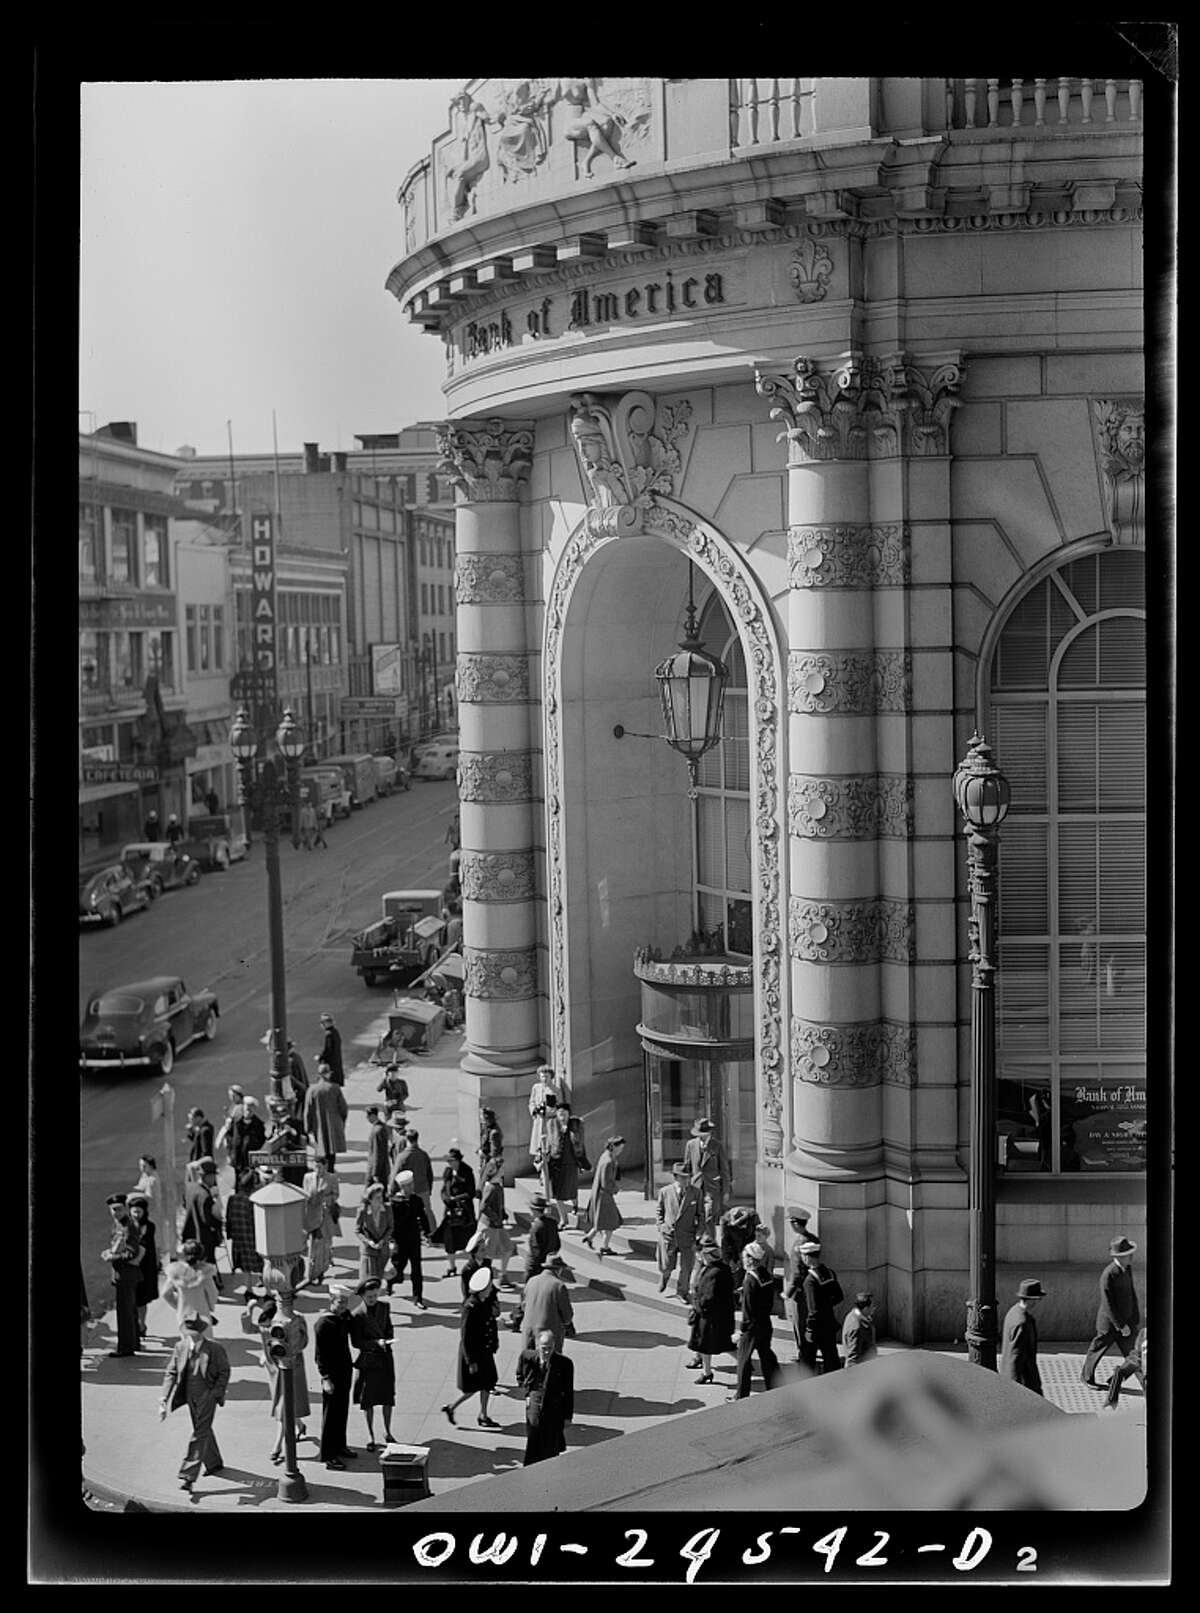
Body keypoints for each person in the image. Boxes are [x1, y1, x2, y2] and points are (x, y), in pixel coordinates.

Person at [158, 1316, 230, 1492]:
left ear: (200, 1332)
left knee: (200, 1433)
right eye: (188, 1332)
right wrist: (164, 1399)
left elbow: (224, 1371)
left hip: (208, 1397)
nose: (191, 1336)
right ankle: (214, 1464)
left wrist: (215, 1393)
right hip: (190, 1397)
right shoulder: (180, 1347)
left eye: (195, 1333)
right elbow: (172, 1372)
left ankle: (188, 1476)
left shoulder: (214, 1348)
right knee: (203, 1430)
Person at [252, 1287, 310, 1464]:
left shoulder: (296, 1318)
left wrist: (291, 1344)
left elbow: (304, 1341)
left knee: (282, 1408)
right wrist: (249, 1309)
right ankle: (299, 1425)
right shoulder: (267, 1326)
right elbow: (250, 1330)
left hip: (292, 1367)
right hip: (274, 1370)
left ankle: (277, 1446)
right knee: (285, 1405)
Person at [442, 1266, 502, 1428]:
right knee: (472, 1387)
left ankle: (483, 1415)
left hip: (485, 1351)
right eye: (489, 1286)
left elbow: (491, 1323)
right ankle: (452, 1407)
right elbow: (466, 1336)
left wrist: (493, 1343)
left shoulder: (484, 1301)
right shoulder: (471, 1307)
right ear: (482, 1289)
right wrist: (471, 1361)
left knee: (488, 1383)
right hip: (475, 1354)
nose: (491, 1289)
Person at [1081, 1236, 1141, 1388]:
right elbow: (1108, 1304)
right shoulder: (1108, 1274)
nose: (1131, 1257)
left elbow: (1131, 1294)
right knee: (1097, 1350)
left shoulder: (1127, 1269)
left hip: (1127, 1322)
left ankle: (1119, 1380)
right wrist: (1120, 1325)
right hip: (1110, 1324)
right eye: (1128, 1255)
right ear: (1118, 1257)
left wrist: (1134, 1318)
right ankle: (1086, 1378)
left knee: (1134, 1355)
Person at [313, 1282, 357, 1469]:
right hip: (332, 1374)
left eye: (345, 1301)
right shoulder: (324, 1324)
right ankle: (329, 1455)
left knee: (342, 1410)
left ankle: (340, 1446)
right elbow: (320, 1355)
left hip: (345, 1370)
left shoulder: (343, 1317)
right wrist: (325, 1378)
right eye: (340, 1301)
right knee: (331, 1415)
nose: (343, 1305)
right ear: (331, 1300)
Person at [349, 1278, 396, 1450]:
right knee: (368, 1401)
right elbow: (356, 1342)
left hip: (385, 1358)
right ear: (362, 1296)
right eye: (369, 1296)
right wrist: (377, 1343)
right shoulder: (358, 1315)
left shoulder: (384, 1307)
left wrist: (388, 1338)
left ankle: (387, 1431)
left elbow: (389, 1327)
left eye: (375, 1295)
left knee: (387, 1398)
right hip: (369, 1361)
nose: (373, 1299)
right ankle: (370, 1435)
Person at [516, 1328, 575, 1464]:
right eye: (544, 1348)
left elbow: (568, 1392)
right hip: (534, 1407)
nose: (547, 1352)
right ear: (537, 1346)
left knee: (551, 1447)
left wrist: (567, 1417)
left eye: (550, 1348)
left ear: (554, 1345)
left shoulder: (565, 1364)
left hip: (554, 1409)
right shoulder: (528, 1357)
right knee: (533, 1442)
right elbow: (520, 1374)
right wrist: (527, 1393)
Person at [733, 1243, 781, 1400]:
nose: (743, 1260)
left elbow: (747, 1309)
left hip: (752, 1327)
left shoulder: (749, 1280)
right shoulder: (765, 1275)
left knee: (743, 1361)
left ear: (750, 1259)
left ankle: (741, 1395)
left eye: (745, 1257)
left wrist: (741, 1330)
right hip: (765, 1323)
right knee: (766, 1355)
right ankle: (774, 1387)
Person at [686, 1238, 736, 1383]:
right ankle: (706, 1372)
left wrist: (697, 1306)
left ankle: (744, 1362)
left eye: (701, 1255)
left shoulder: (713, 1273)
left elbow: (708, 1297)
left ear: (707, 1255)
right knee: (707, 1345)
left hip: (710, 1317)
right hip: (716, 1316)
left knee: (718, 1344)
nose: (699, 1258)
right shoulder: (721, 1268)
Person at [100, 1193, 142, 1356]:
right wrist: (109, 1252)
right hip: (123, 1274)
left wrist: (112, 1257)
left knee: (124, 1313)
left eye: (118, 1209)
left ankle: (126, 1348)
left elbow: (132, 1252)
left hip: (126, 1274)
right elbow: (117, 1246)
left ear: (125, 1208)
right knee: (130, 1311)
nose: (115, 1213)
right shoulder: (119, 1224)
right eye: (112, 1210)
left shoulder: (128, 1226)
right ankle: (134, 1343)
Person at [682, 1118, 732, 1240]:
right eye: (699, 1135)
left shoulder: (717, 1146)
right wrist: (684, 1186)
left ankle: (710, 1244)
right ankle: (698, 1243)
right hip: (696, 1186)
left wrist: (726, 1190)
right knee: (695, 1216)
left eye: (703, 1135)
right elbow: (687, 1167)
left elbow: (724, 1170)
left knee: (709, 1216)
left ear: (709, 1133)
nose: (701, 1137)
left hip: (712, 1187)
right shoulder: (691, 1145)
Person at [656, 1162, 700, 1298]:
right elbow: (660, 1211)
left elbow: (701, 1215)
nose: (686, 1180)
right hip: (669, 1234)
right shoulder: (665, 1192)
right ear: (675, 1177)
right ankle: (665, 1276)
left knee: (687, 1267)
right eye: (683, 1177)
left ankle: (682, 1292)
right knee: (667, 1264)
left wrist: (699, 1232)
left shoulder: (696, 1192)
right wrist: (661, 1225)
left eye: (688, 1177)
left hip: (688, 1234)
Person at [800, 1240, 844, 1374]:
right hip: (829, 1322)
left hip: (816, 1327)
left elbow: (813, 1310)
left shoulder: (810, 1281)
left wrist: (809, 1328)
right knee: (831, 1357)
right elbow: (839, 1296)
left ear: (807, 1257)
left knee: (807, 1360)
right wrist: (826, 1306)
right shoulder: (829, 1273)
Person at [386, 1169, 429, 1307]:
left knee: (417, 1269)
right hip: (400, 1241)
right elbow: (392, 1223)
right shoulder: (395, 1203)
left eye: (412, 1185)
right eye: (408, 1186)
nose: (412, 1188)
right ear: (402, 1187)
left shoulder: (416, 1200)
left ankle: (418, 1297)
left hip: (414, 1239)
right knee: (398, 1269)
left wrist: (427, 1232)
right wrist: (391, 1240)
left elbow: (422, 1216)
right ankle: (390, 1282)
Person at [1000, 1277, 1046, 1395]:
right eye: (1038, 1299)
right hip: (1025, 1382)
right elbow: (1015, 1356)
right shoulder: (1022, 1323)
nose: (1038, 1302)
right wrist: (1015, 1387)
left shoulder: (1013, 1312)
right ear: (1031, 1299)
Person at [521, 1252, 575, 1352]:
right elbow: (567, 1316)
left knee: (529, 1364)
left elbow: (524, 1305)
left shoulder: (531, 1281)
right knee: (550, 1365)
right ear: (559, 1269)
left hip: (528, 1332)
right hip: (548, 1336)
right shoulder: (558, 1285)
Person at [159, 1239, 221, 1328]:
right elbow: (213, 1294)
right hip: (202, 1312)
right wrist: (210, 1307)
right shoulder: (204, 1273)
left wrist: (177, 1305)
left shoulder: (176, 1272)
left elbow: (165, 1293)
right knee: (205, 1339)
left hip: (183, 1313)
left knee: (187, 1339)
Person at [222, 1170, 263, 1303]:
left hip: (238, 1237)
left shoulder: (232, 1199)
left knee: (245, 1267)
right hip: (253, 1237)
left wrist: (230, 1234)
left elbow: (228, 1217)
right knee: (261, 1264)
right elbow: (257, 1220)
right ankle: (267, 1291)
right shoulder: (253, 1200)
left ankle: (249, 1291)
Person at [473, 1160, 515, 1287]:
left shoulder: (497, 1185)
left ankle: (503, 1275)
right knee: (488, 1255)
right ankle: (484, 1281)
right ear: (496, 1171)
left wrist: (502, 1214)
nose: (504, 1170)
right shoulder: (491, 1187)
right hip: (490, 1225)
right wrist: (496, 1217)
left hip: (497, 1224)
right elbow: (483, 1206)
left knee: (508, 1248)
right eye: (501, 1168)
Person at [581, 1135, 624, 1255]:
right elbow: (606, 1183)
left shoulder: (606, 1156)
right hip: (604, 1196)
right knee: (611, 1222)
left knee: (603, 1219)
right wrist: (615, 1189)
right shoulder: (609, 1161)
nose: (621, 1150)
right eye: (620, 1148)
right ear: (614, 1147)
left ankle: (590, 1236)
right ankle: (605, 1247)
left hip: (600, 1194)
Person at [181, 1158, 224, 1277]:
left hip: (190, 1232)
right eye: (214, 1176)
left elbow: (185, 1204)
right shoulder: (205, 1196)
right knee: (206, 1266)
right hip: (204, 1237)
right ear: (208, 1176)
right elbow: (208, 1220)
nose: (215, 1179)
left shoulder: (190, 1187)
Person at [439, 1148, 478, 1279]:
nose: (450, 1163)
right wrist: (446, 1198)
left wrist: (458, 1198)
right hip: (450, 1211)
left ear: (458, 1160)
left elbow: (471, 1192)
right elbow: (444, 1189)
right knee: (449, 1240)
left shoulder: (467, 1172)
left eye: (452, 1161)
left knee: (468, 1238)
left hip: (464, 1211)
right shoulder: (448, 1172)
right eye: (449, 1161)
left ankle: (472, 1265)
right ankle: (451, 1266)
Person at [302, 1157, 341, 1286]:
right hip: (312, 1215)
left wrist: (326, 1199)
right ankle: (311, 1273)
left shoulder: (332, 1178)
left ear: (325, 1166)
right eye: (316, 1167)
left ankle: (320, 1272)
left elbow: (336, 1195)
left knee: (323, 1245)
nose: (317, 1170)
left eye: (320, 1167)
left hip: (325, 1216)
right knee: (313, 1246)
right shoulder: (308, 1177)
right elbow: (304, 1193)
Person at [126, 1191, 159, 1342]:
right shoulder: (127, 1225)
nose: (136, 1215)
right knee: (133, 1299)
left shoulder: (149, 1227)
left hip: (145, 1267)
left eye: (139, 1212)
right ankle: (135, 1325)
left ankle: (141, 1324)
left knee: (142, 1299)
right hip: (131, 1266)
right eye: (134, 1212)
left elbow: (146, 1245)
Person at [782, 1206, 813, 1364]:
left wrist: (788, 1292)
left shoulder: (800, 1243)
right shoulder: (811, 1239)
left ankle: (804, 1354)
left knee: (800, 1323)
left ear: (795, 1223)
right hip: (807, 1288)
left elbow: (798, 1272)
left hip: (800, 1291)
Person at [550, 1102, 588, 1227]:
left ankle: (575, 1204)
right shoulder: (552, 1124)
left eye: (565, 1113)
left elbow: (580, 1143)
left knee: (571, 1189)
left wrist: (582, 1160)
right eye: (560, 1113)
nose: (562, 1116)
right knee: (557, 1194)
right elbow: (549, 1142)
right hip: (556, 1163)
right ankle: (563, 1219)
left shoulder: (575, 1125)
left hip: (571, 1162)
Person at [304, 1062, 349, 1165]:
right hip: (334, 1124)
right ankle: (330, 1172)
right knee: (331, 1152)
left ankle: (322, 1170)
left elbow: (308, 1111)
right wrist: (342, 1121)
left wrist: (308, 1128)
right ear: (328, 1074)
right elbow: (344, 1108)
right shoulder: (335, 1088)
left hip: (318, 1125)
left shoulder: (312, 1090)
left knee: (320, 1148)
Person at [394, 1126, 435, 1234]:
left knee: (409, 1214)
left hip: (408, 1190)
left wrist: (392, 1191)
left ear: (407, 1140)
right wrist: (429, 1188)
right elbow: (429, 1174)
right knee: (427, 1211)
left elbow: (395, 1175)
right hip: (423, 1188)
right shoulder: (424, 1155)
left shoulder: (402, 1157)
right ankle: (432, 1233)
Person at [356, 1182, 394, 1285]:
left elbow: (391, 1227)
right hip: (368, 1250)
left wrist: (383, 1241)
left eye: (381, 1197)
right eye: (377, 1198)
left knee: (376, 1281)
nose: (380, 1200)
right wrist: (368, 1242)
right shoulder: (363, 1211)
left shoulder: (387, 1209)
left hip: (382, 1250)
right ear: (370, 1200)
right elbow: (357, 1231)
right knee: (366, 1281)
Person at [1103, 1326, 1147, 1410]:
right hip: (1140, 1363)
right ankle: (1111, 1402)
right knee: (1119, 1372)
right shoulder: (1143, 1333)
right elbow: (1137, 1353)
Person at [229, 1095, 266, 1176]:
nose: (248, 1110)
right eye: (247, 1107)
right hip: (238, 1159)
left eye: (251, 1108)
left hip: (251, 1162)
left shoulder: (259, 1125)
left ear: (254, 1109)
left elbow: (262, 1142)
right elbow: (230, 1137)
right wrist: (231, 1154)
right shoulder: (236, 1122)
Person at [842, 1292, 878, 1368]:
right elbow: (852, 1360)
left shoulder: (853, 1315)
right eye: (873, 1306)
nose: (874, 1308)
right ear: (865, 1308)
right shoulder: (857, 1327)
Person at [364, 1105, 390, 1188]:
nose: (367, 1118)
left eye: (368, 1116)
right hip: (383, 1168)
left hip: (376, 1170)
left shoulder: (377, 1131)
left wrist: (375, 1173)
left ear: (373, 1116)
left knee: (369, 1195)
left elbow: (377, 1152)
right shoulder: (381, 1126)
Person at [318, 1013, 345, 1086]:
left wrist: (320, 1057)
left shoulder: (329, 1034)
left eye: (322, 1023)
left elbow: (328, 1050)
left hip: (332, 1066)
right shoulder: (335, 1032)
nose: (321, 1025)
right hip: (337, 1064)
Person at [478, 1106, 504, 1180]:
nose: (481, 1121)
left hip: (491, 1165)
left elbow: (494, 1152)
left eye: (483, 1119)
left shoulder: (494, 1133)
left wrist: (484, 1155)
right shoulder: (487, 1129)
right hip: (487, 1161)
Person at [135, 1154, 162, 1221]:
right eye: (140, 1165)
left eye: (144, 1166)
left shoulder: (152, 1180)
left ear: (151, 1166)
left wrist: (134, 1195)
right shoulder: (145, 1174)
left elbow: (149, 1198)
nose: (141, 1168)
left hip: (151, 1212)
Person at [287, 1041, 309, 1109]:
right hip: (303, 1085)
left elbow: (292, 1077)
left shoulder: (290, 1060)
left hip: (298, 1089)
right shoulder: (297, 1056)